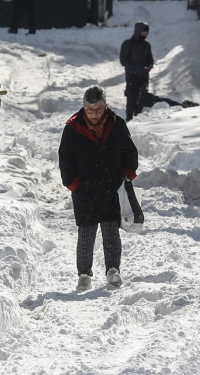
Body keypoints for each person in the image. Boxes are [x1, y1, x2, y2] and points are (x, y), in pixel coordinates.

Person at [58, 86, 139, 292]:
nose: (94, 113)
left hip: (111, 187)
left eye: (98, 108)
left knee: (111, 232)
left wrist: (126, 175)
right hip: (84, 190)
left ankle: (113, 270)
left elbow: (130, 152)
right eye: (89, 109)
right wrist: (74, 184)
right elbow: (65, 160)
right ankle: (84, 275)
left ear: (105, 106)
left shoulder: (117, 124)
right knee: (86, 234)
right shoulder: (72, 128)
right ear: (83, 108)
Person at [119, 22, 154, 119]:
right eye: (142, 33)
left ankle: (138, 118)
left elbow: (150, 59)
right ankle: (129, 119)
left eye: (145, 34)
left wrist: (149, 66)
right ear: (137, 32)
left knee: (142, 98)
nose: (144, 35)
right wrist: (135, 69)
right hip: (132, 76)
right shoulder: (128, 43)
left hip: (144, 77)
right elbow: (123, 60)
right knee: (131, 98)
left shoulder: (147, 45)